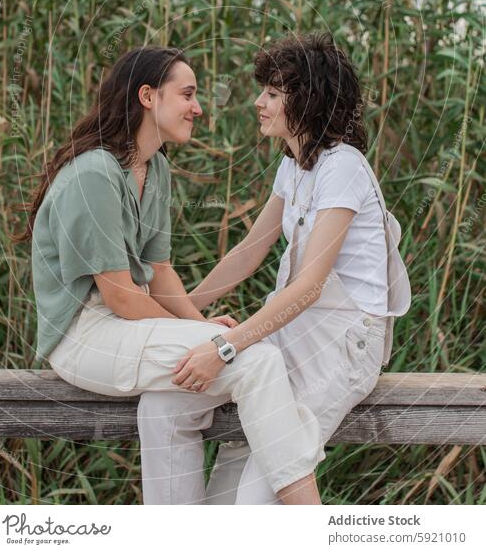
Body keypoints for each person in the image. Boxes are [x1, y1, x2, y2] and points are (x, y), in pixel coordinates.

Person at [15, 45, 326, 505]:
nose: (198, 108)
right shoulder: (97, 173)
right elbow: (121, 297)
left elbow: (159, 271)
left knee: (175, 398)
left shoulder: (153, 166)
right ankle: (307, 519)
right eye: (187, 94)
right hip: (83, 335)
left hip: (127, 328)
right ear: (147, 96)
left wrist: (202, 329)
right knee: (256, 360)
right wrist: (203, 336)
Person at [137, 32, 411, 504]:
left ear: (307, 99)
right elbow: (247, 252)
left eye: (272, 92)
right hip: (288, 337)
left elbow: (309, 286)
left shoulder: (343, 167)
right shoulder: (295, 166)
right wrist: (177, 310)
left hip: (340, 348)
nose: (258, 102)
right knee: (164, 405)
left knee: (253, 506)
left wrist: (222, 347)